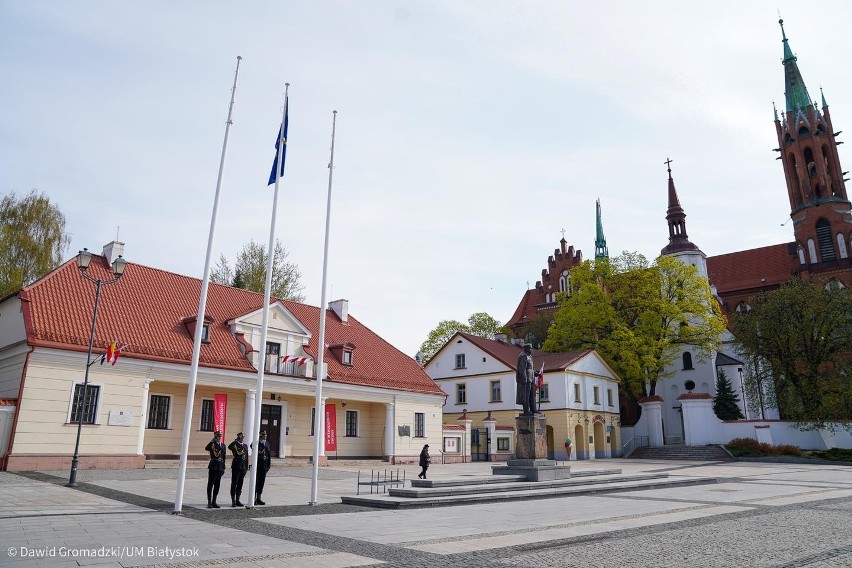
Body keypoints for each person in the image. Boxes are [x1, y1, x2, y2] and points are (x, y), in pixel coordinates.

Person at [204, 431, 226, 509]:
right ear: (215, 437)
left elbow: (224, 457)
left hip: (220, 467)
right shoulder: (212, 444)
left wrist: (223, 467)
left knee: (217, 484)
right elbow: (206, 448)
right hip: (213, 466)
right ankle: (209, 501)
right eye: (218, 437)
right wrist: (212, 440)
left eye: (220, 437)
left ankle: (214, 501)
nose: (220, 438)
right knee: (211, 484)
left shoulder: (223, 445)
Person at [227, 432, 249, 507]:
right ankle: (233, 500)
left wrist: (246, 467)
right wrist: (235, 441)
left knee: (240, 484)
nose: (242, 439)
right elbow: (229, 447)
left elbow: (246, 458)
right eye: (241, 438)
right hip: (236, 466)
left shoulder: (245, 446)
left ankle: (238, 499)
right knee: (234, 483)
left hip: (243, 467)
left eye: (243, 438)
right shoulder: (235, 445)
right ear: (238, 438)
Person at [516, 343, 537, 415]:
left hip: (531, 377)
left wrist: (535, 373)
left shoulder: (530, 356)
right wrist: (524, 378)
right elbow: (522, 369)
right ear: (527, 349)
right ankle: (526, 410)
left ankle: (533, 409)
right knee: (526, 395)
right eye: (530, 348)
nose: (531, 349)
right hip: (526, 378)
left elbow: (531, 368)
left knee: (532, 394)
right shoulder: (523, 356)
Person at [253, 430, 272, 505]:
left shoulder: (267, 444)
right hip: (258, 466)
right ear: (261, 436)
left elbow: (269, 456)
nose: (265, 437)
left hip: (264, 466)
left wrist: (268, 465)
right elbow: (252, 445)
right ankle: (253, 498)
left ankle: (259, 498)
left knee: (261, 482)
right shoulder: (257, 443)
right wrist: (257, 440)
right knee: (256, 482)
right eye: (263, 436)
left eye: (265, 436)